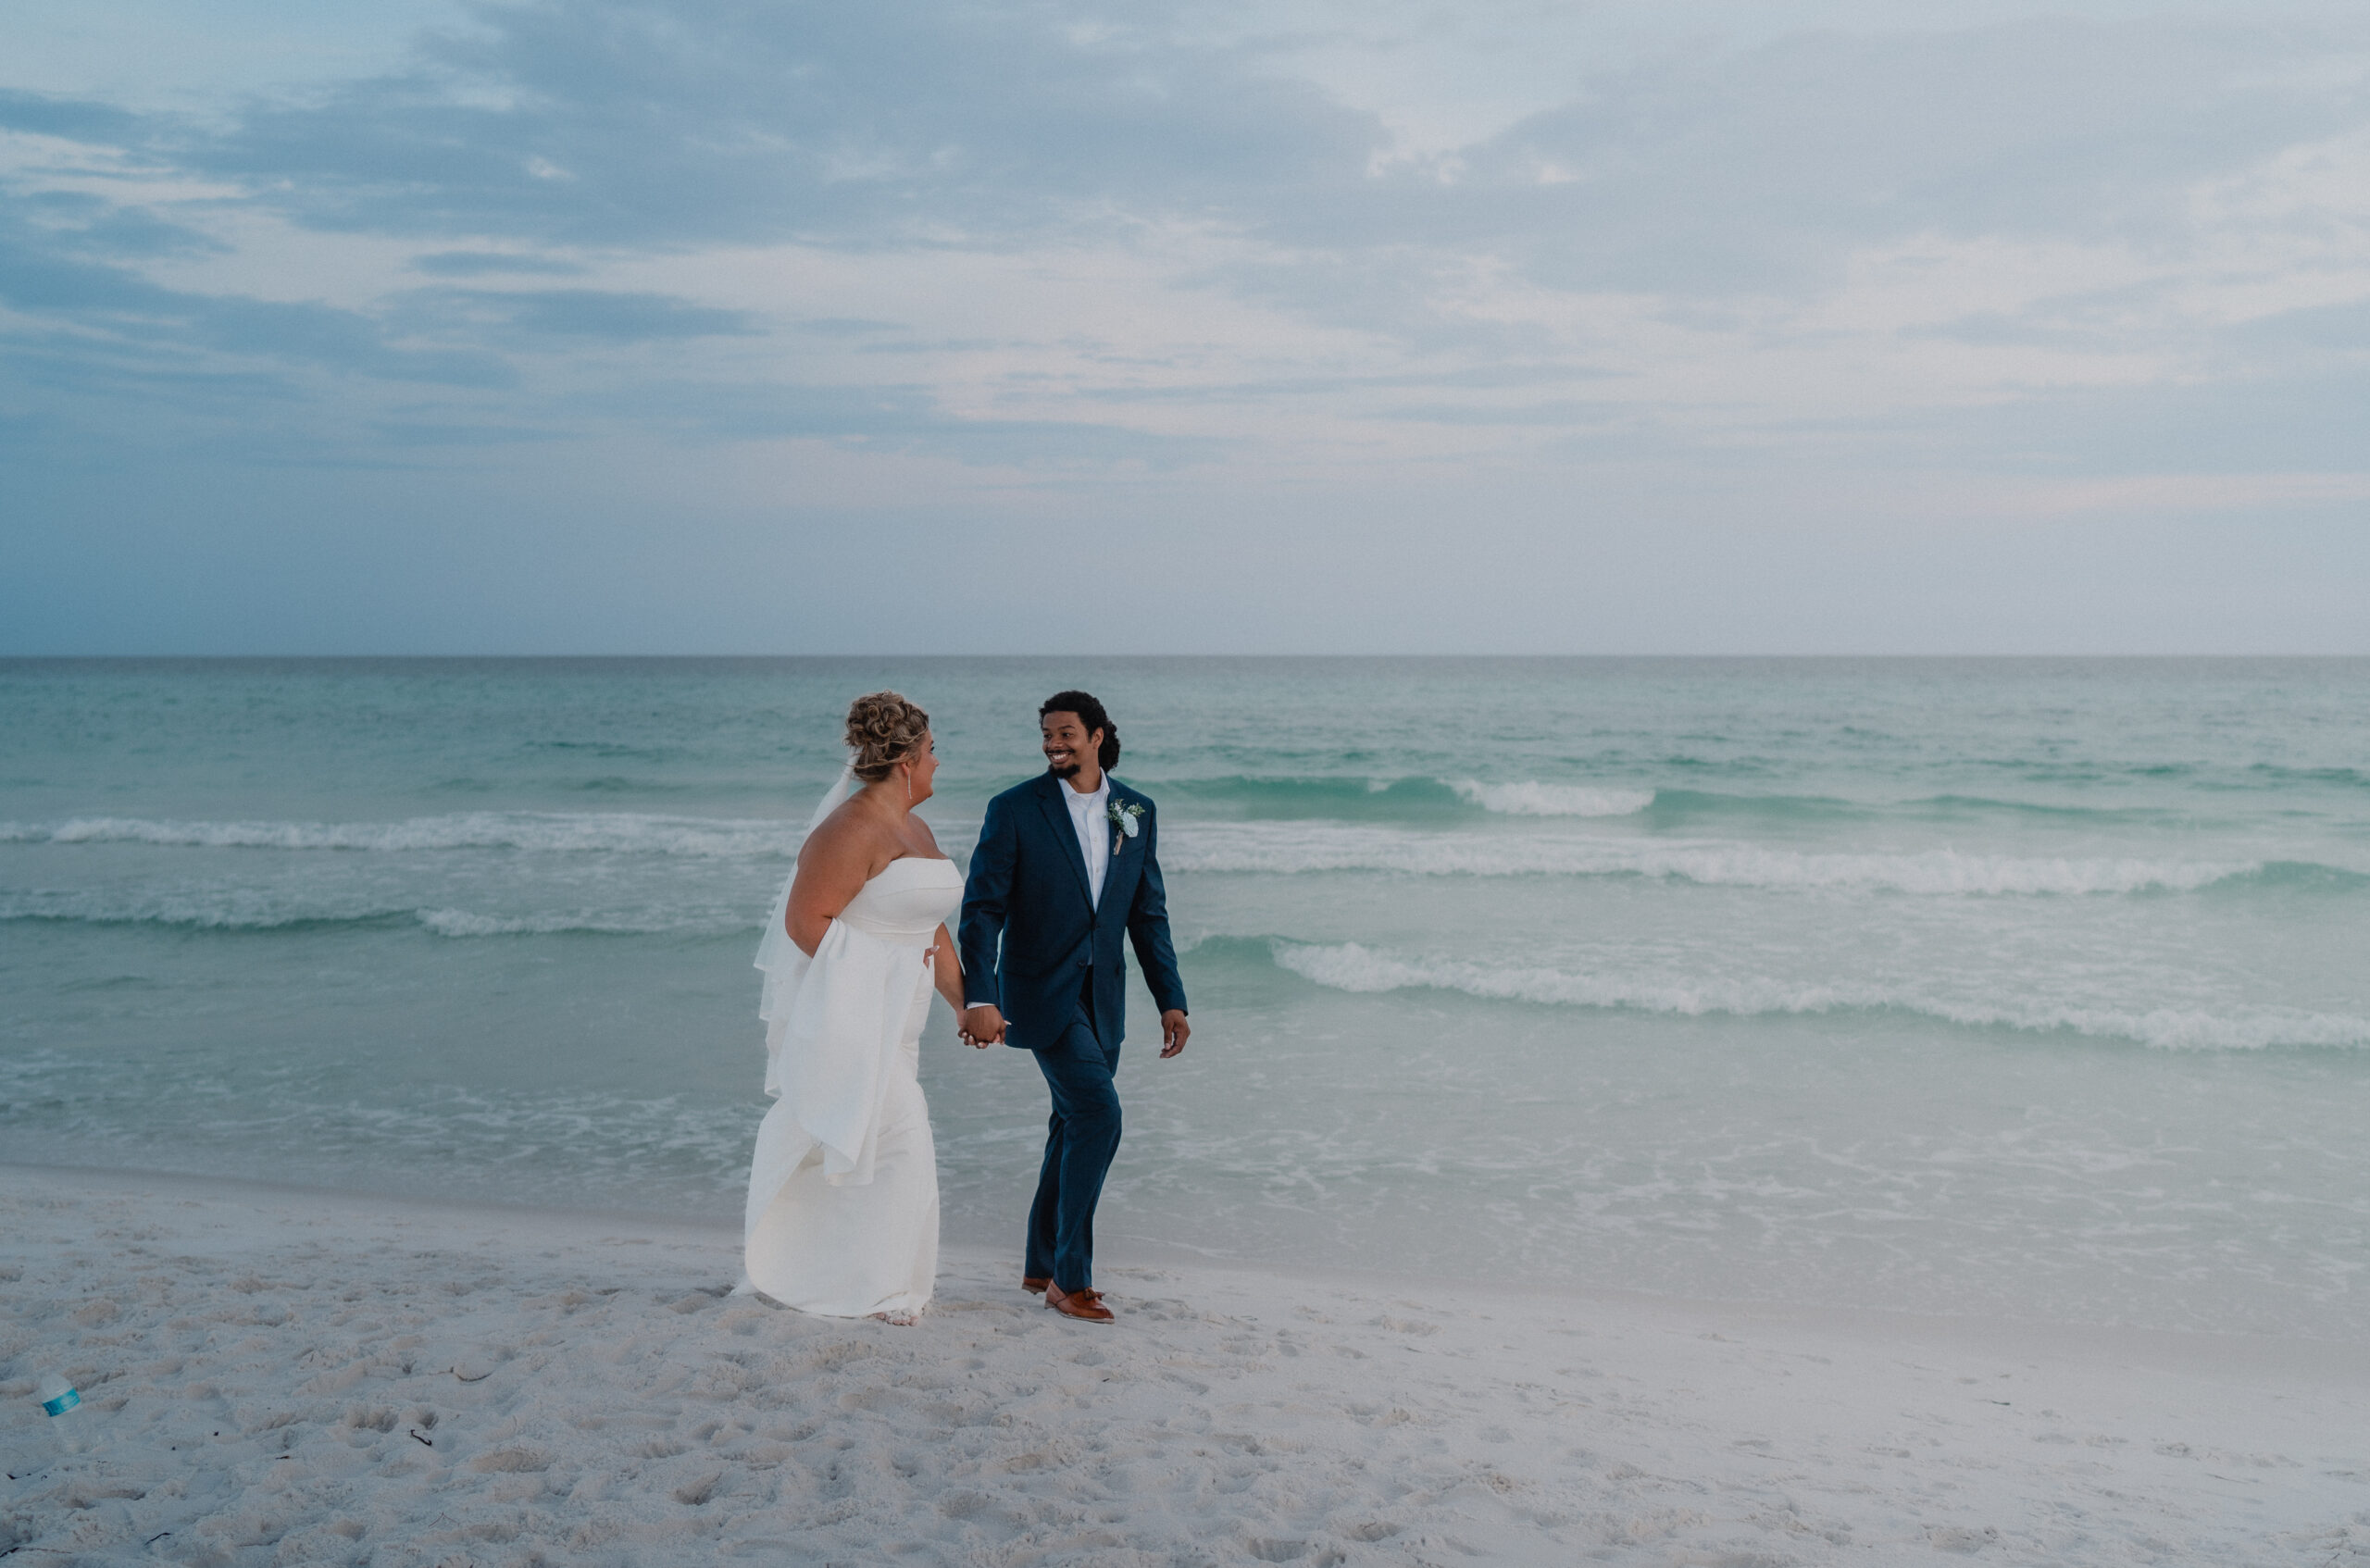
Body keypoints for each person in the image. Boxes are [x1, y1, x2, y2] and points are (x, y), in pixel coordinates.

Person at [958, 691, 1190, 1323]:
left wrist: (1170, 998)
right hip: (1038, 992)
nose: (1051, 743)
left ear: (1095, 736)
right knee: (1098, 1115)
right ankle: (1070, 1278)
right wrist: (979, 994)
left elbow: (1148, 914)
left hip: (1105, 996)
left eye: (1064, 732)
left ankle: (1038, 1261)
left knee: (1070, 1124)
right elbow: (982, 911)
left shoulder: (1135, 809)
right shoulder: (1013, 809)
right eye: (1045, 734)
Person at [743, 691, 964, 1324]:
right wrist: (884, 974)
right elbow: (804, 922)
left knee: (877, 1145)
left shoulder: (914, 829)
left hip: (903, 1022)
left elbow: (931, 927)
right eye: (931, 752)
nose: (937, 764)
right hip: (860, 1013)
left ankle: (856, 1277)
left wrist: (966, 1003)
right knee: (899, 1141)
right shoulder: (850, 828)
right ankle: (879, 1288)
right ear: (906, 762)